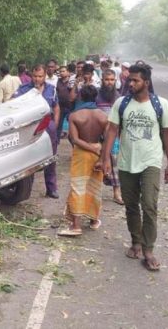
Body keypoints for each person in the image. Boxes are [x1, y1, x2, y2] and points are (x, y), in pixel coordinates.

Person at [99, 64, 168, 272]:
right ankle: (136, 242)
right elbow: (112, 130)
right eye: (129, 80)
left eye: (135, 80)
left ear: (146, 83)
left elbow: (167, 134)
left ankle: (148, 250)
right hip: (126, 162)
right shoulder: (121, 104)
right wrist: (105, 158)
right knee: (131, 205)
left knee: (149, 205)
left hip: (151, 162)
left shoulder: (161, 105)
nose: (130, 83)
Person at [58, 85, 107, 236]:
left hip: (81, 153)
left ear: (81, 97)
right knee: (94, 186)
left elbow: (75, 139)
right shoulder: (103, 116)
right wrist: (98, 152)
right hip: (98, 153)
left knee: (78, 187)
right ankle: (93, 220)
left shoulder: (75, 116)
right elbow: (107, 140)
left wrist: (89, 148)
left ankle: (76, 225)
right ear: (95, 97)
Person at [13, 64, 60, 199]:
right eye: (35, 76)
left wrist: (55, 123)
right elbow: (13, 104)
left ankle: (51, 188)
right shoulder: (23, 89)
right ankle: (27, 188)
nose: (37, 79)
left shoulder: (51, 89)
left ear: (45, 76)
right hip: (30, 127)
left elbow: (56, 107)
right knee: (29, 157)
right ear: (31, 75)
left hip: (48, 126)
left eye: (40, 76)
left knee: (50, 156)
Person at [96, 69, 124, 205]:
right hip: (97, 135)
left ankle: (116, 193)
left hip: (114, 136)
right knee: (96, 163)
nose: (109, 82)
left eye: (112, 80)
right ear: (102, 80)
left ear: (115, 81)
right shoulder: (96, 95)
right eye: (107, 80)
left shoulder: (119, 97)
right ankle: (95, 194)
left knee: (115, 164)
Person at [54, 65, 75, 140]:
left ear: (68, 72)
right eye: (60, 72)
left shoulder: (72, 81)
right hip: (60, 106)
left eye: (63, 71)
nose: (62, 73)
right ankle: (56, 140)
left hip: (70, 106)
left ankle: (73, 138)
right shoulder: (58, 81)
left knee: (72, 123)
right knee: (59, 124)